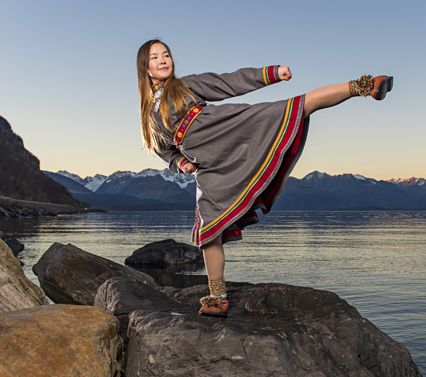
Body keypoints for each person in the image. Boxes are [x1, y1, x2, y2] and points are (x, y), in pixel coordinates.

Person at [137, 39, 392, 316]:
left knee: (296, 106)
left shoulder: (184, 85)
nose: (163, 60)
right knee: (209, 230)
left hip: (231, 128)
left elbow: (228, 82)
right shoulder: (148, 115)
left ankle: (365, 86)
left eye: (166, 55)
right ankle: (217, 298)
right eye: (155, 58)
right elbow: (164, 151)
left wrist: (270, 73)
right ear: (146, 68)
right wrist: (181, 163)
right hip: (210, 165)